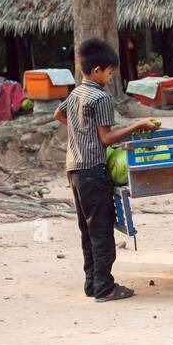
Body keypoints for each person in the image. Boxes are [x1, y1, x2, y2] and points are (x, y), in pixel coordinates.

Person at [54, 38, 157, 302]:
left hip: (74, 170)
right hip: (93, 171)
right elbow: (107, 139)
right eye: (110, 72)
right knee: (101, 230)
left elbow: (58, 113)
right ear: (98, 69)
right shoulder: (100, 97)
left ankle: (92, 282)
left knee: (87, 230)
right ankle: (105, 288)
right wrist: (138, 126)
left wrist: (79, 132)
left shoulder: (77, 93)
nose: (111, 77)